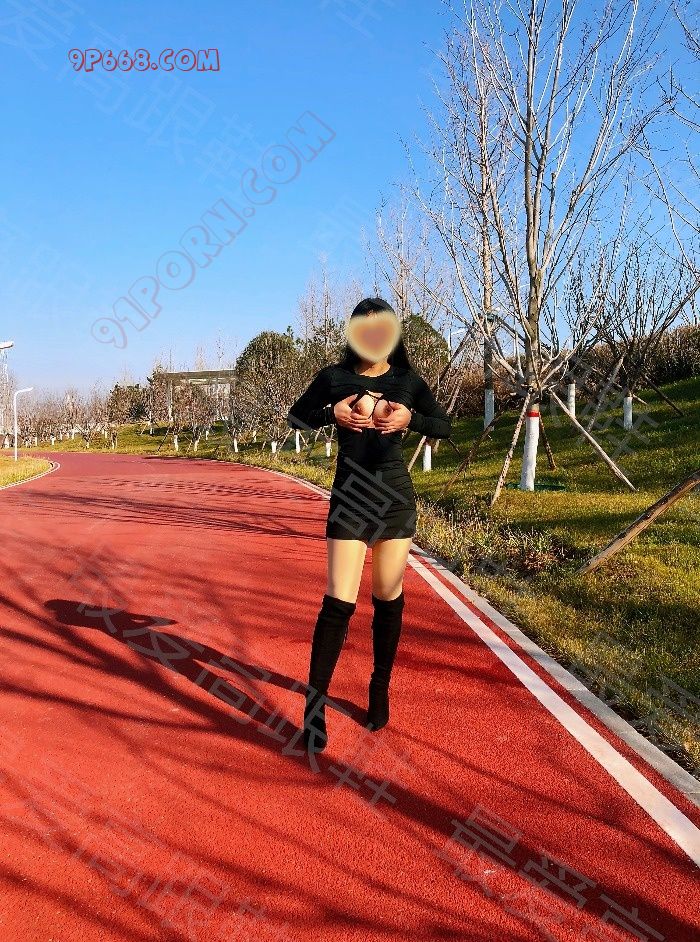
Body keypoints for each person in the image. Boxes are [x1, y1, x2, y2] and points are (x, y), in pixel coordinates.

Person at [287, 297, 452, 753]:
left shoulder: (407, 381)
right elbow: (296, 416)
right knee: (338, 602)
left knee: (387, 598)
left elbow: (445, 425)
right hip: (350, 498)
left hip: (395, 501)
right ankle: (314, 706)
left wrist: (413, 419)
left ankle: (379, 687)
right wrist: (331, 415)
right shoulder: (334, 378)